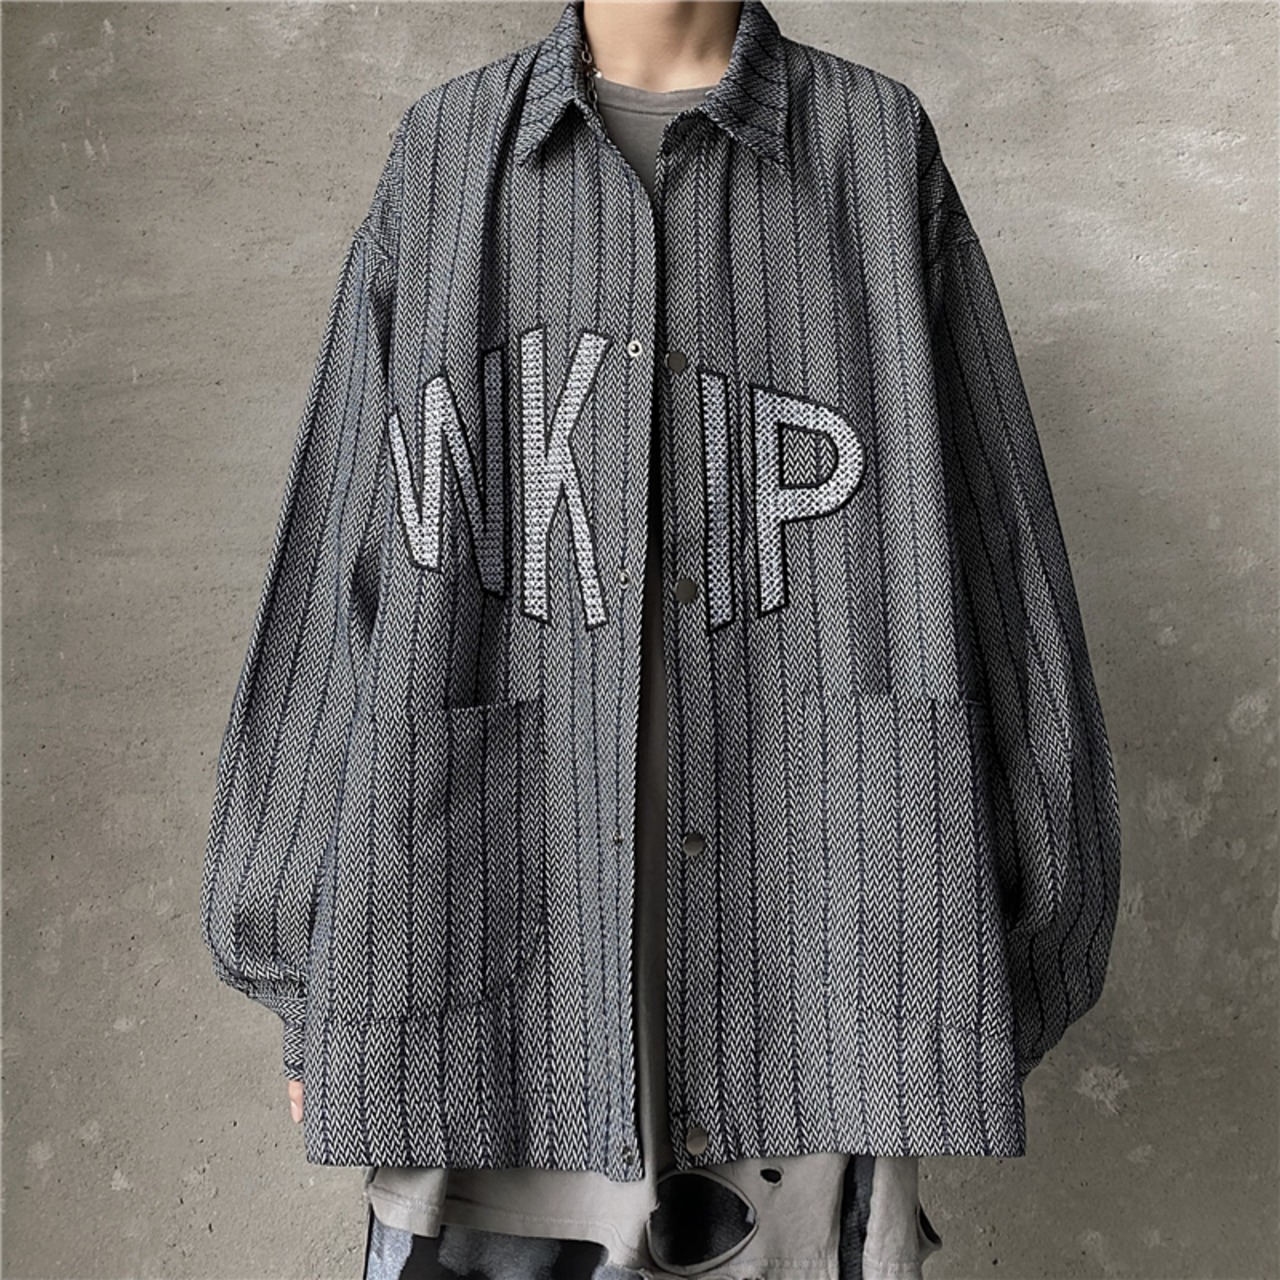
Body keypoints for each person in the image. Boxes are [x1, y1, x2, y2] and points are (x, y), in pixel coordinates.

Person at [200, 1, 1122, 1276]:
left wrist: (1009, 945)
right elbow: (333, 559)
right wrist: (304, 966)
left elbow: (1000, 554)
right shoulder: (446, 154)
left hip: (813, 983)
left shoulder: (870, 147)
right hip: (481, 978)